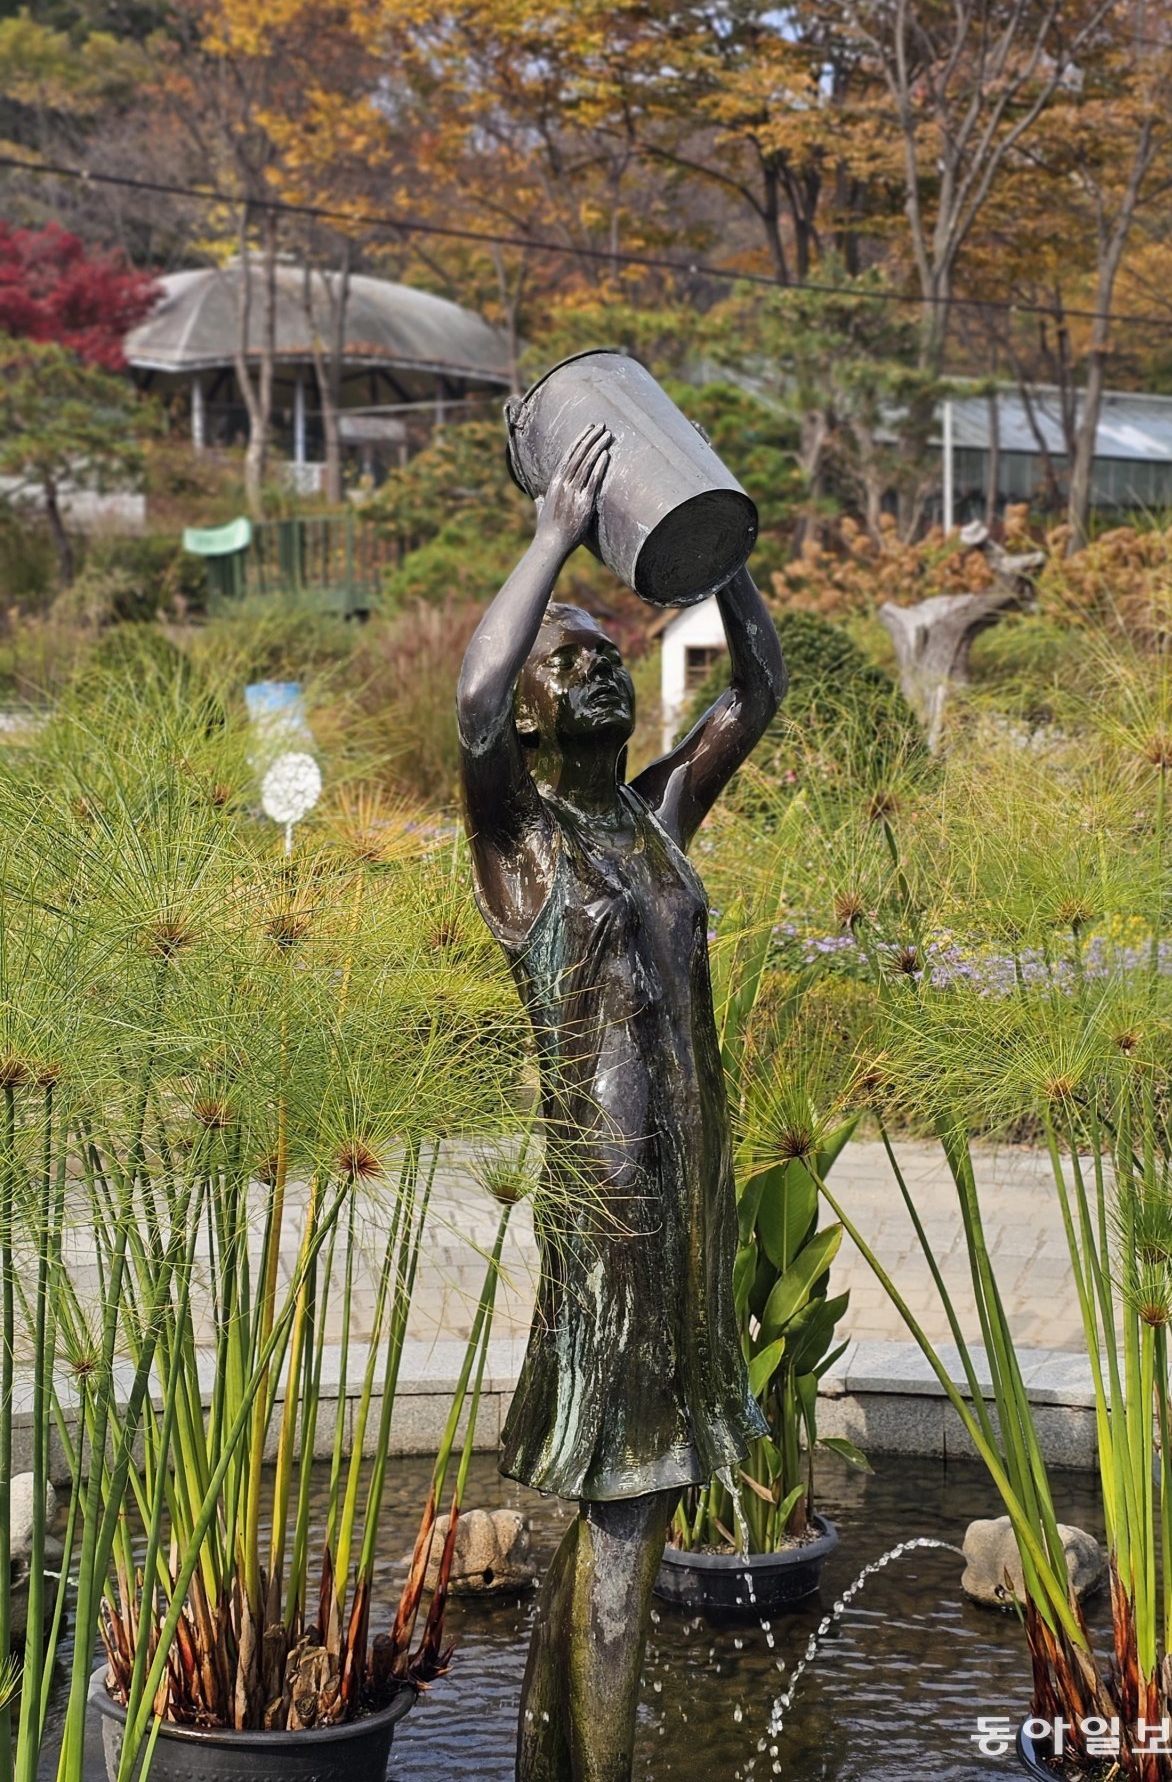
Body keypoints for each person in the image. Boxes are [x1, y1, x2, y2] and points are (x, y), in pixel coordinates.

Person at [456, 420, 787, 1782]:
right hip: (610, 1223)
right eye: (569, 663)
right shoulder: (520, 844)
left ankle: (551, 1758)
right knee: (630, 1510)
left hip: (686, 1197)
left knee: (610, 1514)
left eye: (609, 660)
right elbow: (471, 703)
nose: (597, 675)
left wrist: (728, 561)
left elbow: (751, 694)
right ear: (537, 708)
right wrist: (548, 538)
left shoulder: (653, 817)